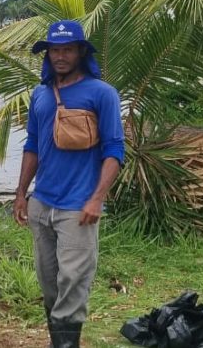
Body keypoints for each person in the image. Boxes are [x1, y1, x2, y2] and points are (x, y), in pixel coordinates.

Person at [13, 20, 124, 348]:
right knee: (50, 286)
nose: (60, 56)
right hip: (42, 204)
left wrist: (96, 198)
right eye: (54, 50)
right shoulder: (40, 94)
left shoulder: (102, 94)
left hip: (78, 208)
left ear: (80, 52)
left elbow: (114, 150)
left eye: (67, 49)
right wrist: (22, 194)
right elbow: (32, 145)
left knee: (73, 284)